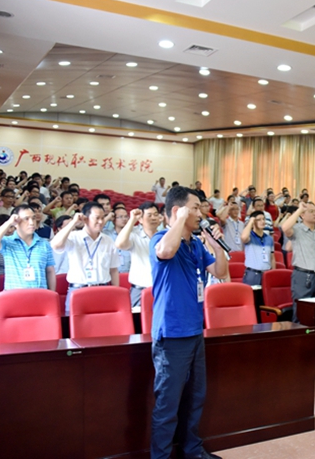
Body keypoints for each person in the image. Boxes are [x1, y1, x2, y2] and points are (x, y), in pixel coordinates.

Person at [149, 186, 226, 459]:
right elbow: (165, 251)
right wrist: (180, 220)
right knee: (167, 404)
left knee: (195, 398)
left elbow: (220, 271)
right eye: (194, 208)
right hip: (171, 335)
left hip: (194, 331)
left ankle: (192, 451)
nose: (200, 213)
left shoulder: (196, 244)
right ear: (177, 210)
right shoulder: (161, 238)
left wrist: (216, 246)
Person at [50, 201, 120, 312]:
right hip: (78, 290)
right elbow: (55, 245)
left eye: (103, 218)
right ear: (85, 219)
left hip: (103, 290)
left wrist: (115, 292)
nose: (101, 221)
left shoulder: (108, 241)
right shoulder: (73, 237)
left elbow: (114, 270)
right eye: (97, 218)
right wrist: (73, 222)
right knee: (74, 322)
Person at [0, 204, 56, 291]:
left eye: (33, 218)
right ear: (16, 222)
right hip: (13, 295)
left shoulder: (44, 243)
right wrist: (9, 222)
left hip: (39, 294)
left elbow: (50, 271)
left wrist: (52, 293)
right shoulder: (7, 241)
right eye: (26, 219)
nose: (31, 222)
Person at [280, 202, 315, 322]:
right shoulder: (297, 229)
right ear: (302, 215)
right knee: (301, 313)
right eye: (311, 211)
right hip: (303, 276)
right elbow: (284, 227)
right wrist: (300, 209)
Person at [114, 202, 161, 307]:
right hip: (139, 290)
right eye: (149, 215)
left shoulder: (163, 236)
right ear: (140, 219)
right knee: (137, 317)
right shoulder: (134, 235)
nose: (153, 218)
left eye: (156, 214)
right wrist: (132, 220)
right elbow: (119, 244)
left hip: (161, 289)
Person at [241, 211, 275, 285]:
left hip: (266, 273)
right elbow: (243, 237)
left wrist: (273, 272)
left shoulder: (269, 238)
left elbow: (272, 257)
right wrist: (250, 222)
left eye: (263, 219)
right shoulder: (249, 236)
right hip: (252, 273)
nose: (262, 221)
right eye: (259, 220)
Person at [104, 206, 131, 273]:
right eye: (120, 217)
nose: (124, 219)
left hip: (129, 273)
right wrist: (108, 217)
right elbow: (95, 230)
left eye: (126, 216)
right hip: (111, 273)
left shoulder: (132, 235)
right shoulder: (107, 234)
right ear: (113, 219)